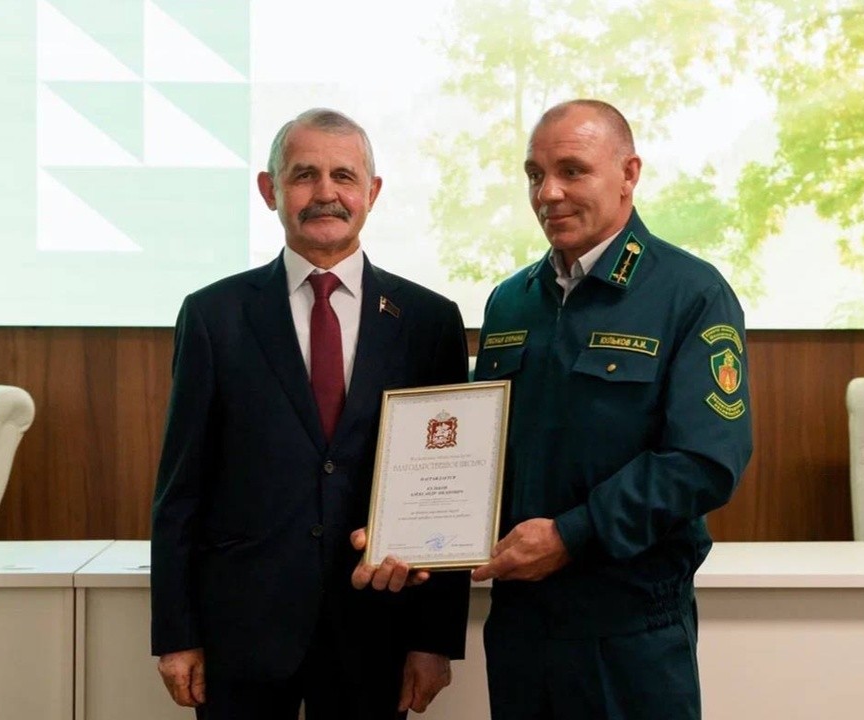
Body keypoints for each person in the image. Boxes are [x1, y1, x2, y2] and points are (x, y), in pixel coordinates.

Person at [150, 108, 470, 720]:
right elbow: (180, 489)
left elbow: (448, 492)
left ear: (372, 192)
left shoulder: (429, 321)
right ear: (270, 190)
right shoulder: (214, 316)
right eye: (304, 175)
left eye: (344, 176)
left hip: (376, 630)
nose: (326, 193)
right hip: (241, 632)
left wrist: (433, 640)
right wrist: (175, 633)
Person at [468, 99, 753, 719]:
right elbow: (481, 454)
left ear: (629, 174)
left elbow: (706, 460)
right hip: (519, 631)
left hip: (629, 633)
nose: (548, 193)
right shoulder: (510, 302)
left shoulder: (691, 292)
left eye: (572, 170)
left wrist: (572, 535)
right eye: (535, 174)